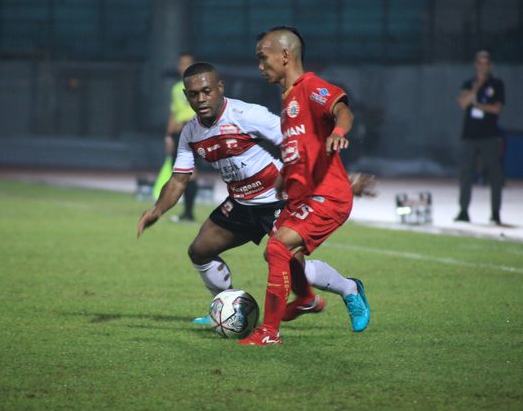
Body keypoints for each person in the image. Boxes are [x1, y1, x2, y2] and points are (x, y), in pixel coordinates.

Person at [137, 62, 370, 331]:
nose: (200, 99)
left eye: (206, 91)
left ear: (220, 88)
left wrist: (340, 177)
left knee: (289, 262)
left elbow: (299, 142)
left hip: (278, 199)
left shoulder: (247, 114)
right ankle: (224, 309)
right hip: (240, 202)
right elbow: (179, 180)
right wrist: (156, 210)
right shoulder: (190, 132)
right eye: (193, 94)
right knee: (200, 251)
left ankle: (350, 289)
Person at [239, 26, 369, 346]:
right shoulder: (287, 100)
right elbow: (300, 146)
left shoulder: (310, 87)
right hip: (301, 195)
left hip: (328, 196)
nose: (259, 66)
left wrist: (339, 130)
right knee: (282, 257)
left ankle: (268, 333)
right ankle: (318, 296)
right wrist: (286, 176)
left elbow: (343, 110)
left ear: (284, 56)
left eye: (262, 57)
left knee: (278, 247)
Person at [455, 50, 505, 225]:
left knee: (494, 175)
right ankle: (463, 210)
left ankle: (495, 213)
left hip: (490, 135)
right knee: (466, 174)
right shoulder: (469, 83)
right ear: (476, 65)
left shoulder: (497, 84)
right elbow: (462, 103)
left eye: (486, 63)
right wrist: (477, 86)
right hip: (469, 135)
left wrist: (477, 104)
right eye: (480, 63)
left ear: (490, 65)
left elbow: (496, 109)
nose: (483, 67)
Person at [163, 52, 198, 222]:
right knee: (183, 172)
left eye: (187, 63)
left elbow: (203, 110)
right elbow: (173, 113)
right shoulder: (176, 88)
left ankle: (189, 213)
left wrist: (187, 123)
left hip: (193, 131)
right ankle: (187, 212)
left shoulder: (199, 87)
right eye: (181, 63)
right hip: (179, 133)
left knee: (189, 171)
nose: (183, 67)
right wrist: (169, 135)